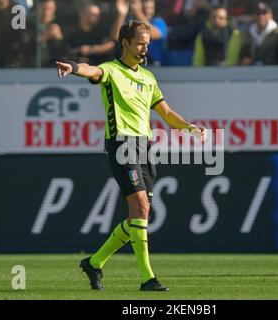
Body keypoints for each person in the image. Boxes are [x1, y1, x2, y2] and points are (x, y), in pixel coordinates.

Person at [55, 20, 207, 291]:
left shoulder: (149, 78)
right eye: (140, 42)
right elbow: (93, 71)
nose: (145, 47)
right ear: (124, 43)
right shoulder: (112, 71)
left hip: (145, 149)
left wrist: (189, 128)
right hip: (121, 145)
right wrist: (75, 67)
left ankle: (95, 262)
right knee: (140, 205)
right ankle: (148, 278)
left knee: (138, 216)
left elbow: (167, 114)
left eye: (147, 43)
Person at [130, 0, 168, 66]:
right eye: (145, 8)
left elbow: (154, 34)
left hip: (157, 67)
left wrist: (139, 13)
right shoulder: (132, 24)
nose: (148, 11)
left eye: (150, 8)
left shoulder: (159, 22)